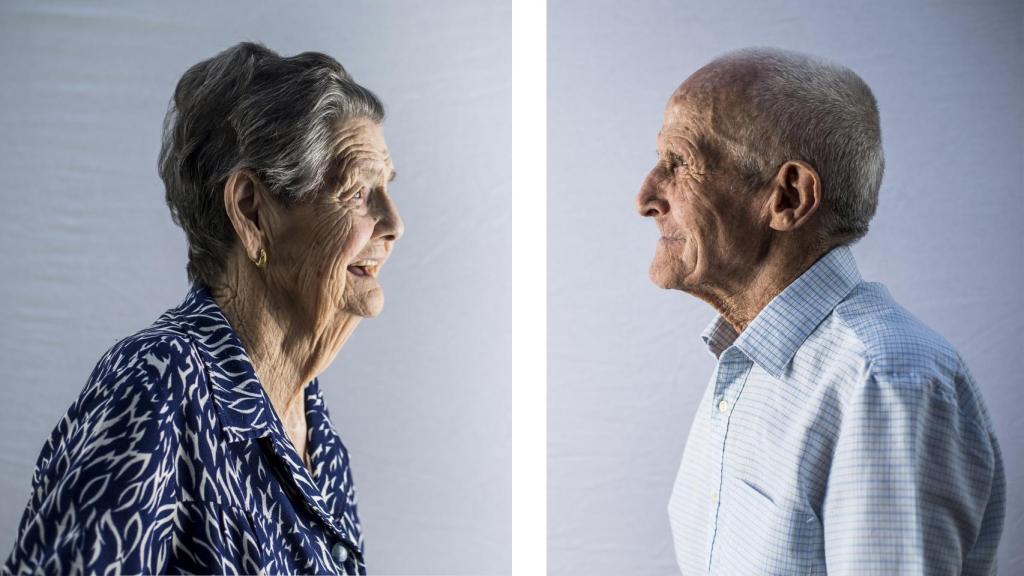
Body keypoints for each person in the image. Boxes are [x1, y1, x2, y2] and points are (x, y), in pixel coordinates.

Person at [3, 41, 402, 575]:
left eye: (386, 189)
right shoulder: (157, 386)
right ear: (251, 211)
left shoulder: (320, 439)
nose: (393, 223)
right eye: (356, 192)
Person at [636, 47, 1004, 574]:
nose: (647, 196)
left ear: (788, 197)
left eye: (679, 162)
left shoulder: (886, 384)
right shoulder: (749, 358)